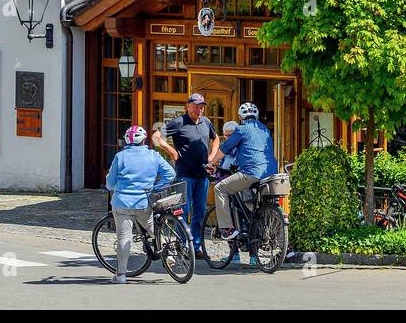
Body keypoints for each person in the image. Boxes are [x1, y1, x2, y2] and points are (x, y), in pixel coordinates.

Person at [105, 125, 176, 284]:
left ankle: (121, 275)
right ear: (144, 140)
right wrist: (156, 187)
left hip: (122, 203)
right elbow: (171, 174)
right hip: (144, 202)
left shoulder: (120, 157)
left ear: (126, 141)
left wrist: (114, 187)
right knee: (152, 229)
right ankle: (169, 254)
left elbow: (110, 183)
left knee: (124, 237)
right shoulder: (153, 155)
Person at [152, 92, 219, 257]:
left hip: (202, 175)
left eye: (201, 106)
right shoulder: (179, 122)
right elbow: (156, 137)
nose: (199, 109)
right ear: (188, 106)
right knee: (183, 211)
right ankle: (183, 246)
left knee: (199, 213)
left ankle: (196, 247)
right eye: (196, 106)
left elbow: (216, 139)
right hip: (185, 175)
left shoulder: (206, 122)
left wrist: (212, 158)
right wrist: (172, 151)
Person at [207, 102, 278, 241]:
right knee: (265, 205)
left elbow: (225, 148)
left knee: (220, 188)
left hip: (251, 172)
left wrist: (211, 163)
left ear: (240, 117)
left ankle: (227, 229)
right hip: (271, 173)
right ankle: (285, 246)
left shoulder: (241, 129)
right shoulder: (265, 130)